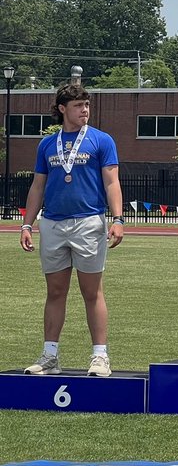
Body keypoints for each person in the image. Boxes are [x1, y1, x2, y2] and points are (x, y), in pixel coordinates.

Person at [19, 83, 125, 377]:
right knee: (55, 292)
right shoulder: (46, 144)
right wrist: (28, 223)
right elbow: (37, 186)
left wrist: (118, 218)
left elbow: (112, 181)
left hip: (88, 221)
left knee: (92, 292)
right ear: (62, 109)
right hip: (52, 223)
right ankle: (50, 356)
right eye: (78, 106)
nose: (85, 111)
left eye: (87, 105)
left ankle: (100, 356)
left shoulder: (102, 140)